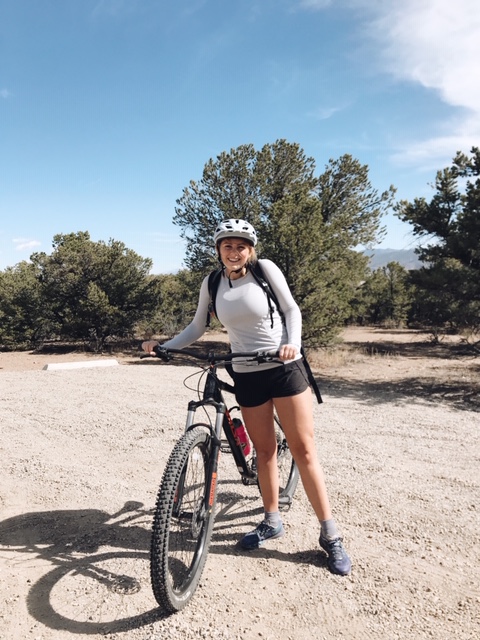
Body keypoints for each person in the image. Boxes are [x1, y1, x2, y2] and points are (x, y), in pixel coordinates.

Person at [142, 219, 352, 576]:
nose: (234, 251)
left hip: (283, 367)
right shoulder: (212, 282)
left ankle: (330, 535)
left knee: (302, 450)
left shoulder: (265, 271)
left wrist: (292, 344)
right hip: (246, 372)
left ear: (250, 250)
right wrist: (164, 346)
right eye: (227, 246)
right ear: (219, 250)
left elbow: (291, 310)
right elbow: (197, 327)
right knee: (265, 451)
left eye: (241, 246)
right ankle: (272, 520)